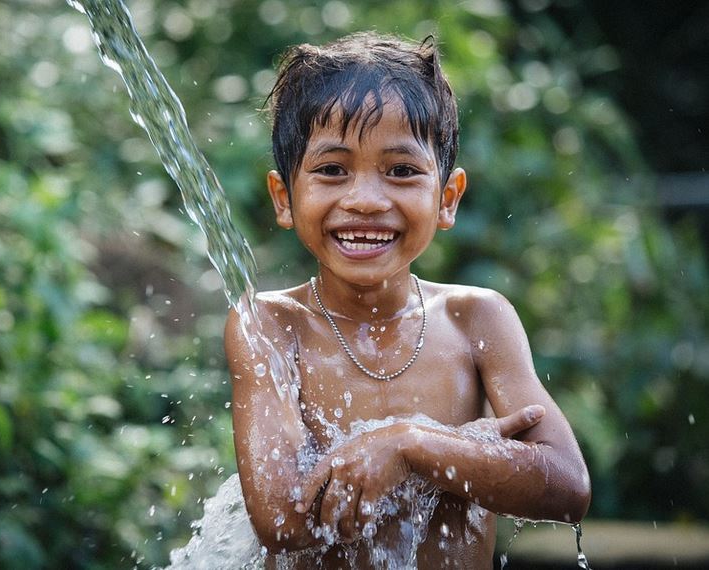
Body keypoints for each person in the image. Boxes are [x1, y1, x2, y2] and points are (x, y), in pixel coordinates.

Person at [224, 32, 591, 568]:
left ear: (447, 199)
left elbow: (567, 487)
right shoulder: (273, 326)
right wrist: (465, 451)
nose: (366, 200)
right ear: (285, 198)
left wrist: (413, 447)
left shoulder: (476, 320)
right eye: (332, 170)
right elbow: (282, 518)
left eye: (401, 171)